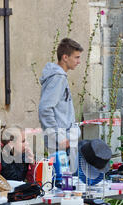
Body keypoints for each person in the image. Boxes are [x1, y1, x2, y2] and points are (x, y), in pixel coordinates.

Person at [38, 38, 83, 172]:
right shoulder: (58, 78)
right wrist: (60, 137)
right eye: (76, 57)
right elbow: (45, 109)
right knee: (65, 184)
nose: (78, 61)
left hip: (64, 139)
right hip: (61, 141)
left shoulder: (59, 76)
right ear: (65, 57)